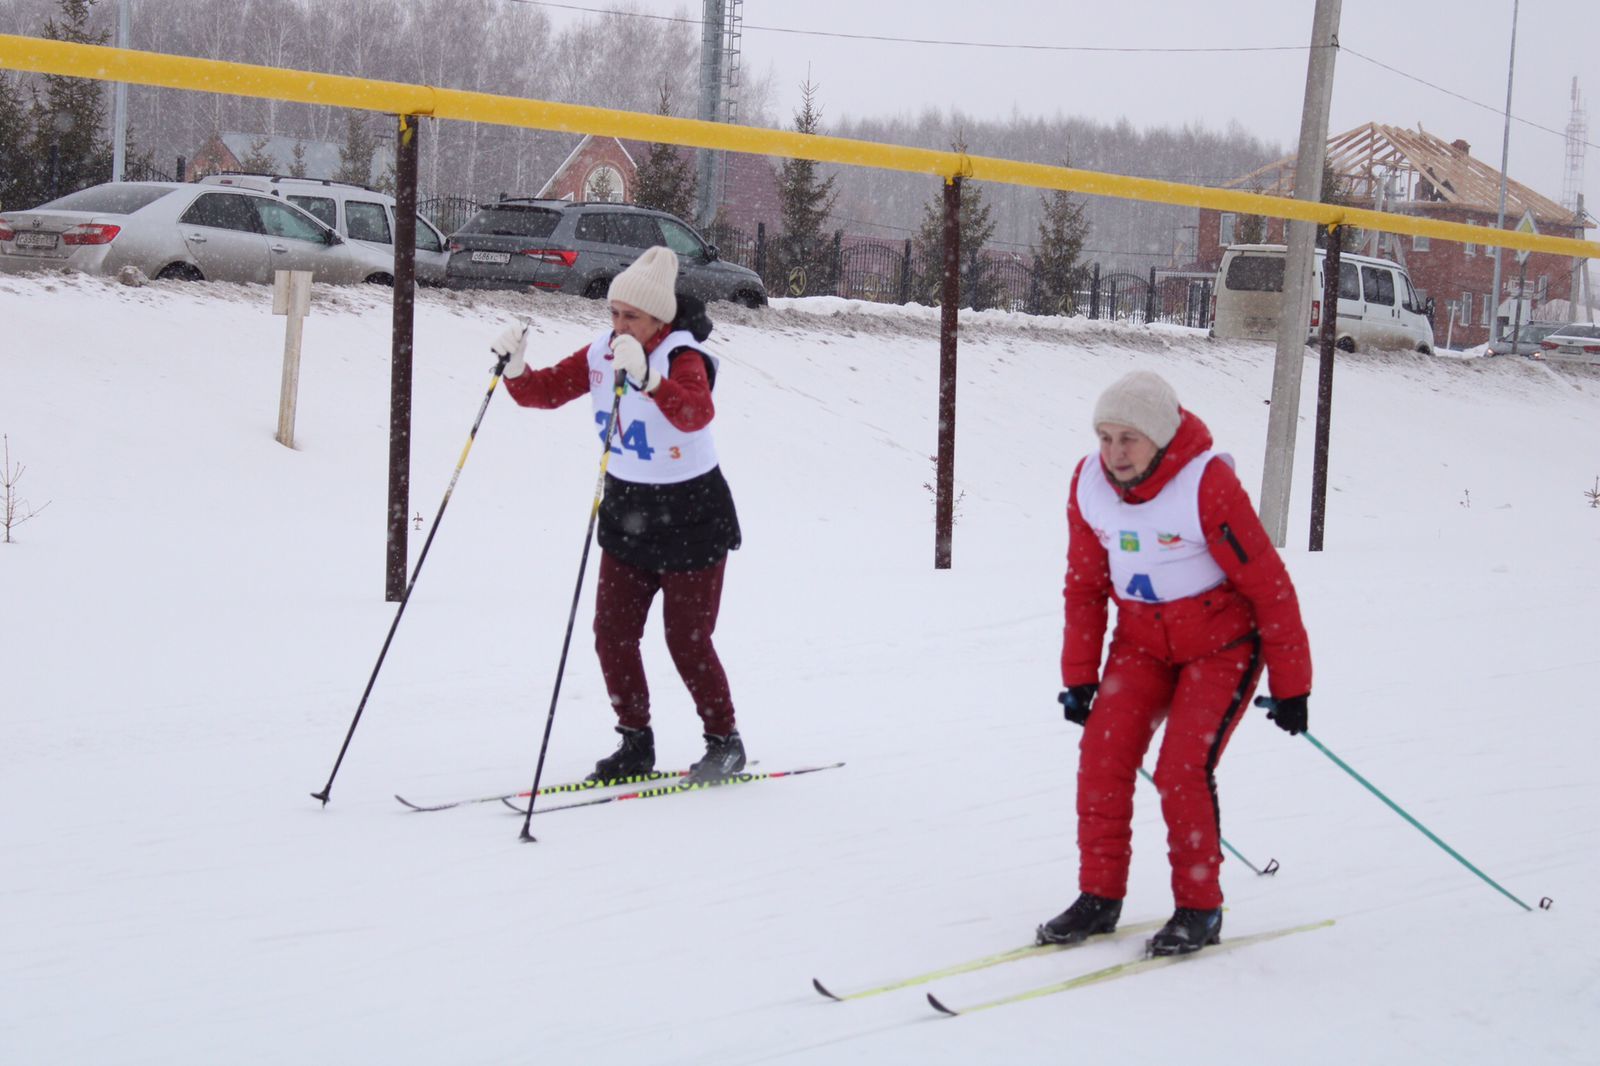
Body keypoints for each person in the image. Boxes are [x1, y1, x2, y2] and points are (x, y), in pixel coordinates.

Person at [1037, 370, 1312, 956]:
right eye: (1105, 437)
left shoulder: (1206, 485)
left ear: (1159, 437)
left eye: (1128, 439)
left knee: (1180, 771)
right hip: (1140, 645)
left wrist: (1293, 686)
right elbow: (1084, 588)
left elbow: (1269, 586)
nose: (1113, 453)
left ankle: (1199, 907)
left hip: (1221, 647)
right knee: (1102, 759)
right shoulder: (1087, 484)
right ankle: (1099, 896)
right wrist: (1080, 679)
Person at [488, 246, 746, 786]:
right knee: (611, 633)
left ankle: (724, 741)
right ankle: (635, 742)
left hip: (691, 513)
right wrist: (515, 370)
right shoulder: (602, 352)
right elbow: (545, 392)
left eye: (632, 316)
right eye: (613, 312)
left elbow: (696, 414)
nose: (619, 324)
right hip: (629, 510)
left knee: (686, 639)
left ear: (660, 319)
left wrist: (651, 381)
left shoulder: (681, 356)